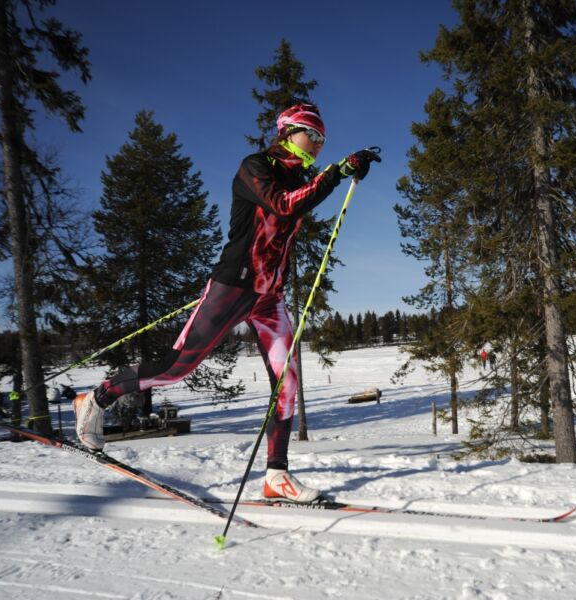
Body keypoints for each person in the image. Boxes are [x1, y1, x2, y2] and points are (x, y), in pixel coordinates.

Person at [74, 103, 380, 503]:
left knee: (286, 382)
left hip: (270, 295)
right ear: (288, 130)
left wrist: (336, 175)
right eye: (313, 134)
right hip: (232, 286)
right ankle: (98, 397)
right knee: (176, 367)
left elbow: (297, 206)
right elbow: (286, 205)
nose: (319, 143)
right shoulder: (255, 167)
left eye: (323, 138)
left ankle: (277, 475)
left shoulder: (299, 176)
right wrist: (337, 172)